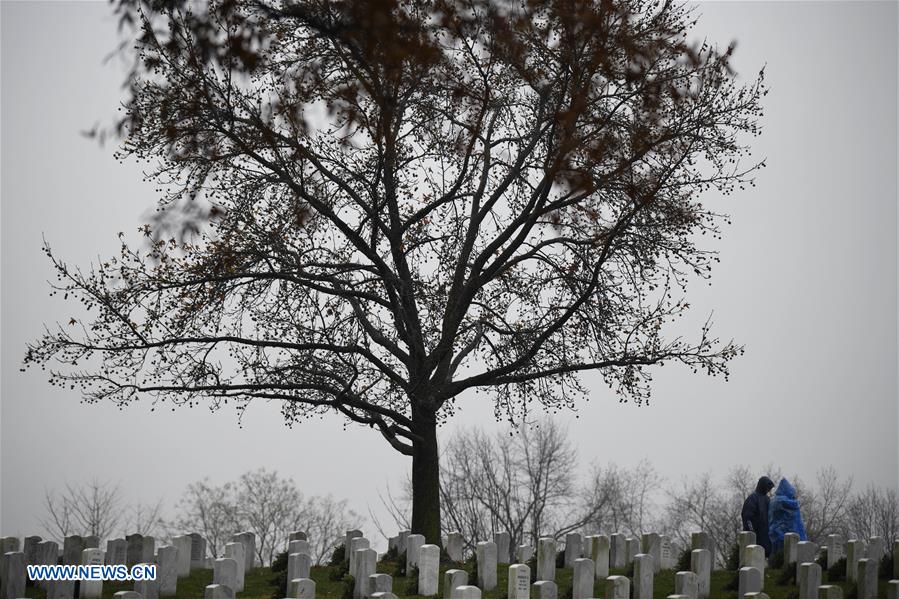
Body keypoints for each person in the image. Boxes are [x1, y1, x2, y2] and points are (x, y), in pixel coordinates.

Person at [768, 477, 808, 555]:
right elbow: (798, 523)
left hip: (774, 534)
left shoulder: (773, 501)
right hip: (787, 535)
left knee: (776, 557)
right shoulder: (787, 502)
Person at [741, 475, 775, 556]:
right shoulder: (753, 498)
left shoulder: (767, 499)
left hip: (766, 534)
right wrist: (751, 531)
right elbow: (747, 516)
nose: (768, 489)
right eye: (767, 487)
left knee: (765, 554)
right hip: (755, 534)